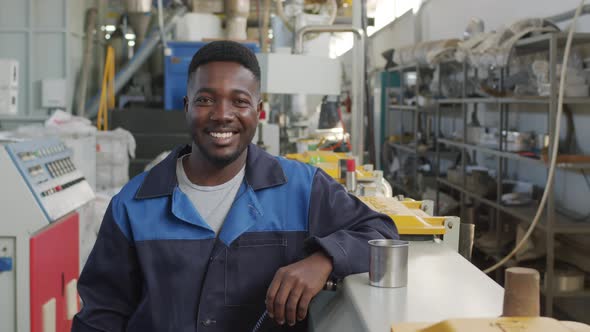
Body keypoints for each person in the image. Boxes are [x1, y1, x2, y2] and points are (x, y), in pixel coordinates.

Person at [72, 40, 398, 332]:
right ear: (186, 107)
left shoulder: (301, 189)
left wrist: (324, 260)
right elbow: (102, 314)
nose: (222, 115)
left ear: (259, 111)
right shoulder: (133, 205)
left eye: (239, 101)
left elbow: (381, 232)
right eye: (205, 99)